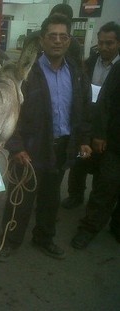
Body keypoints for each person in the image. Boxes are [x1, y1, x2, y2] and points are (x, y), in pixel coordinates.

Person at [0, 14, 92, 262]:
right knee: (21, 199)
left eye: (63, 36)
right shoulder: (27, 72)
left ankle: (44, 238)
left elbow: (81, 108)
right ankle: (10, 241)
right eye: (52, 36)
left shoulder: (76, 71)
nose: (57, 41)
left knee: (51, 198)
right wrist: (16, 147)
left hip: (60, 147)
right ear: (42, 40)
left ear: (69, 40)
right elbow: (11, 111)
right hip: (29, 149)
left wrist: (83, 140)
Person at [62, 21, 120, 210]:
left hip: (109, 128)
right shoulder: (91, 60)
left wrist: (102, 132)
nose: (104, 47)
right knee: (80, 162)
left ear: (118, 43)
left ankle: (94, 206)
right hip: (86, 121)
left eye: (109, 43)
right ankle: (75, 195)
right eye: (101, 42)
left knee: (102, 170)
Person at [70, 60, 120, 249]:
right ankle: (88, 229)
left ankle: (117, 227)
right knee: (105, 187)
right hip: (116, 144)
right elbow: (105, 101)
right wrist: (99, 134)